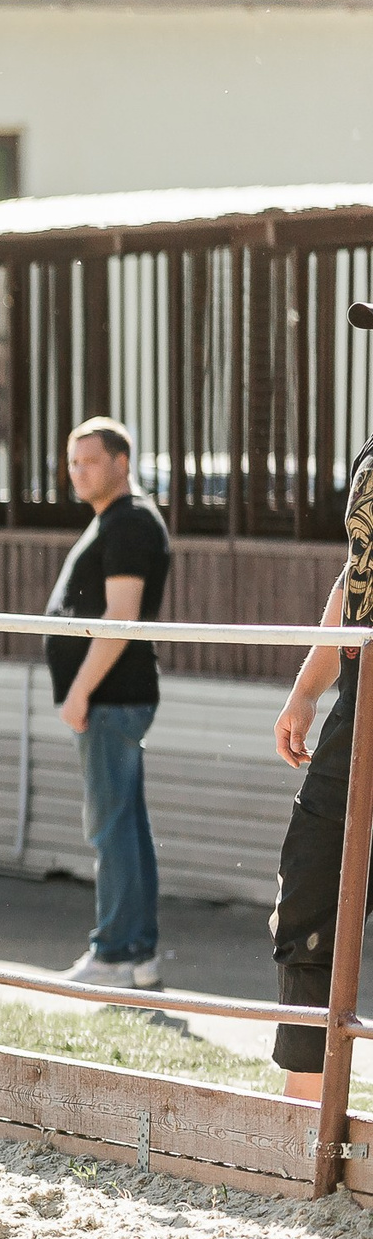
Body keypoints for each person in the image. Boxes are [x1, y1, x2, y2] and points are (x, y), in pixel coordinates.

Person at [265, 418, 373, 1102]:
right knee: (309, 890)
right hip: (360, 703)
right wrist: (308, 686)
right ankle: (306, 1115)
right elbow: (357, 569)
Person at [44, 418, 172, 990]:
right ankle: (137, 954)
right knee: (125, 825)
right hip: (113, 697)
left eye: (89, 461)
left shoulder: (129, 523)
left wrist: (79, 691)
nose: (78, 472)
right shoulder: (115, 522)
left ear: (122, 462)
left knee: (111, 826)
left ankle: (117, 952)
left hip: (111, 699)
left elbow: (121, 618)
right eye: (72, 462)